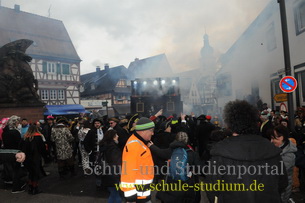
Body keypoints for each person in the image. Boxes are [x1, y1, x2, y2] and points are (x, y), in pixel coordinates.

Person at [206, 100, 288, 203]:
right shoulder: (271, 150)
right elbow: (282, 183)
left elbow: (212, 190)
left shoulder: (220, 153)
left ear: (230, 124)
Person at [148, 131, 202, 203]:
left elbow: (159, 152)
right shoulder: (192, 153)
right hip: (187, 184)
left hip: (171, 183)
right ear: (187, 141)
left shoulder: (170, 151)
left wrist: (152, 146)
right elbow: (200, 168)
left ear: (175, 139)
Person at [120, 117, 155, 203]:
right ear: (143, 131)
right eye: (151, 130)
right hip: (138, 197)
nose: (153, 133)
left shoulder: (138, 143)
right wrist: (131, 198)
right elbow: (128, 172)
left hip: (141, 194)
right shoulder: (134, 146)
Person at [271, 125, 297, 203]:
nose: (271, 141)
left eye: (273, 138)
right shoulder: (278, 148)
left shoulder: (289, 155)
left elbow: (276, 171)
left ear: (281, 137)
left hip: (283, 190)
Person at [20, 124, 47, 195]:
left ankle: (30, 187)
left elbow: (21, 148)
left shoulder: (24, 137)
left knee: (30, 173)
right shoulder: (38, 137)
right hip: (35, 157)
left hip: (27, 158)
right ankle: (35, 188)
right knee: (35, 173)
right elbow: (42, 148)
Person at [99, 130, 122, 203]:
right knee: (116, 194)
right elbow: (117, 162)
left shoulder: (105, 146)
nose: (118, 136)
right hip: (113, 174)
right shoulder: (113, 148)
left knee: (113, 194)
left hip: (106, 173)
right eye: (116, 135)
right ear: (113, 137)